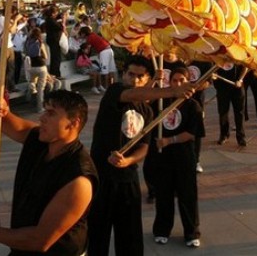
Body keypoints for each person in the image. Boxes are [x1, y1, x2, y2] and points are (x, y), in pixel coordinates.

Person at [88, 55, 198, 256]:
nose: (135, 80)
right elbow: (131, 95)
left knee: (130, 238)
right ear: (123, 75)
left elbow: (144, 147)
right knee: (97, 235)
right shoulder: (115, 92)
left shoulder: (147, 111)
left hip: (128, 180)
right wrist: (172, 90)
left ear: (148, 79)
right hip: (101, 177)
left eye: (140, 76)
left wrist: (128, 160)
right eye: (131, 74)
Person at [0, 90, 98, 255]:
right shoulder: (41, 139)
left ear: (73, 123)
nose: (42, 118)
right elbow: (3, 121)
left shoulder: (79, 179)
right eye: (44, 110)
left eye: (51, 113)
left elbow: (40, 240)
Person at [150, 67, 202, 248]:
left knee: (188, 196)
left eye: (182, 80)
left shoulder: (193, 105)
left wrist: (169, 140)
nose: (178, 84)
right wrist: (154, 81)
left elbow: (192, 133)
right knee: (163, 195)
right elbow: (146, 100)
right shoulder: (161, 102)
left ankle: (191, 232)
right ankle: (162, 230)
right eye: (174, 80)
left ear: (188, 83)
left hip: (184, 158)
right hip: (163, 159)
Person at [214, 61, 247, 147]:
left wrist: (240, 80)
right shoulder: (218, 54)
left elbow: (245, 67)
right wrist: (214, 76)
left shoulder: (237, 52)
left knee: (239, 113)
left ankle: (241, 137)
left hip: (237, 88)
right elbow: (213, 69)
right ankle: (224, 135)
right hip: (222, 88)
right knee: (223, 112)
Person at [0, 6, 26, 92]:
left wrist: (22, 23)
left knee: (11, 67)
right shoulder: (1, 19)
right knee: (5, 69)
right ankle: (4, 87)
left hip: (9, 45)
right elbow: (11, 30)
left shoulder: (8, 20)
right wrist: (16, 20)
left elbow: (14, 29)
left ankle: (11, 86)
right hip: (3, 46)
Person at [24, 27, 49, 112]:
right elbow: (46, 56)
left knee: (32, 82)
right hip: (41, 67)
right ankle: (39, 108)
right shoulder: (40, 43)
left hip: (31, 66)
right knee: (40, 88)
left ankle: (28, 99)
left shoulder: (27, 42)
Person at [43, 5, 66, 79]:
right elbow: (61, 27)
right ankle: (56, 74)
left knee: (55, 58)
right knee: (56, 58)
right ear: (53, 13)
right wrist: (63, 20)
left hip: (53, 40)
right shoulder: (51, 21)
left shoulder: (49, 20)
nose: (57, 14)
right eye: (56, 13)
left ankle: (54, 74)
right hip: (54, 41)